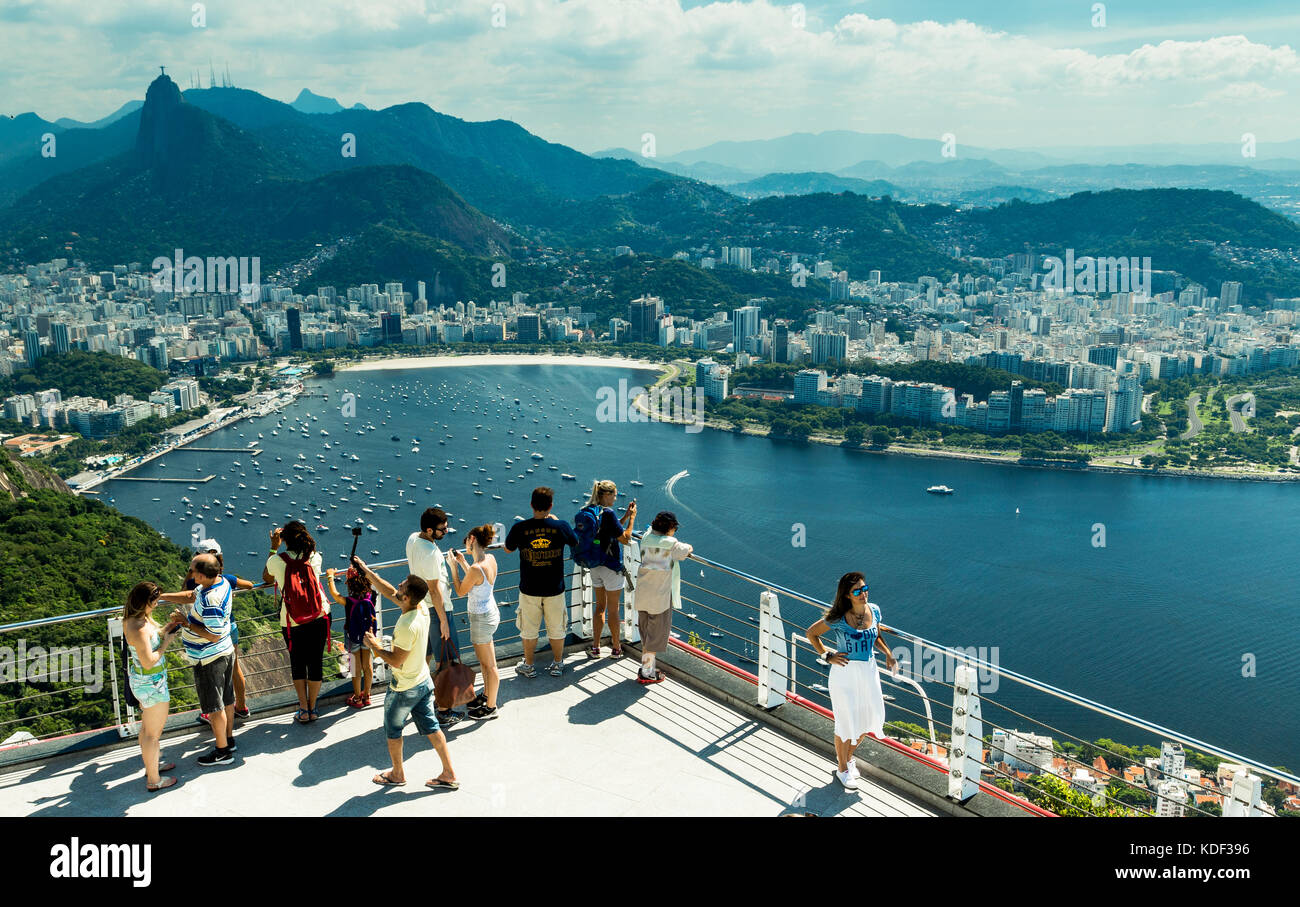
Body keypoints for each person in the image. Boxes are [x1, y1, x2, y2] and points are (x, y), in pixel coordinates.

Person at [353, 556, 458, 790]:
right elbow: (388, 590)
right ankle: (449, 773)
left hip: (404, 687)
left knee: (393, 729)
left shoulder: (405, 626)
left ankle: (397, 773)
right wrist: (366, 571)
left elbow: (396, 661)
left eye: (402, 586)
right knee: (431, 727)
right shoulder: (420, 608)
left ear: (407, 597)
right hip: (422, 681)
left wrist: (374, 645)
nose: (398, 585)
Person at [805, 572, 897, 791]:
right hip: (844, 674)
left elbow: (875, 635)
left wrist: (888, 653)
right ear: (847, 595)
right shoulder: (837, 618)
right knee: (846, 721)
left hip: (868, 672)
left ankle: (846, 759)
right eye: (857, 591)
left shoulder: (873, 610)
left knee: (868, 719)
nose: (863, 593)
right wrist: (827, 656)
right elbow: (811, 634)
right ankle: (843, 767)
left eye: (865, 589)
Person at [159, 553, 237, 766]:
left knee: (214, 707)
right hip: (225, 651)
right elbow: (190, 596)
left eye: (193, 570)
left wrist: (185, 622)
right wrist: (162, 596)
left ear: (202, 575)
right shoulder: (220, 582)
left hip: (209, 657)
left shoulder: (211, 599)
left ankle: (222, 752)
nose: (190, 572)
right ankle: (229, 741)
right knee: (227, 699)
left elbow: (213, 634)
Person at [505, 487, 578, 678]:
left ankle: (528, 665)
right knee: (556, 628)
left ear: (531, 505)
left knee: (529, 629)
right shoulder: (560, 526)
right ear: (551, 506)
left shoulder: (520, 528)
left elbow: (507, 549)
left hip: (529, 588)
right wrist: (555, 522)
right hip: (555, 588)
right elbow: (575, 541)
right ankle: (557, 664)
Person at [262, 521, 328, 723]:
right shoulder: (315, 557)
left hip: (292, 619)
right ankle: (314, 707)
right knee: (315, 661)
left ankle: (303, 709)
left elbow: (266, 578)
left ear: (285, 540)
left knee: (298, 663)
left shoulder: (277, 560)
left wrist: (274, 546)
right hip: (320, 614)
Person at [186, 539, 253, 723]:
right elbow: (249, 585)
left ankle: (215, 713)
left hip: (209, 632)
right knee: (235, 668)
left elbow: (185, 592)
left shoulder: (197, 582)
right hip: (230, 627)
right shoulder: (226, 579)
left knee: (212, 674)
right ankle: (241, 707)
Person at [122, 581, 181, 791]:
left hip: (145, 683)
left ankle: (152, 765)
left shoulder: (132, 619)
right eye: (154, 602)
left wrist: (166, 630)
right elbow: (149, 660)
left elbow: (147, 643)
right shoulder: (139, 627)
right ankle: (154, 780)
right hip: (152, 685)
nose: (156, 605)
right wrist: (167, 642)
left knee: (147, 729)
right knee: (152, 734)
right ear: (145, 602)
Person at [407, 507, 462, 728]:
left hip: (421, 608)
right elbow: (434, 590)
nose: (446, 531)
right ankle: (443, 710)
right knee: (445, 661)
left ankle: (420, 700)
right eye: (442, 529)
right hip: (437, 610)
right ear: (429, 530)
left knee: (426, 656)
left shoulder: (413, 539)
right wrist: (444, 622)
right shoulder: (430, 553)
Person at [575, 480, 636, 658]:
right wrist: (632, 519)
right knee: (614, 610)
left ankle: (595, 648)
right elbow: (624, 538)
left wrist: (623, 517)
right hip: (611, 567)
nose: (615, 499)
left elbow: (607, 529)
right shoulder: (607, 513)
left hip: (595, 565)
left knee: (599, 607)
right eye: (614, 495)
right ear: (607, 495)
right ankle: (616, 649)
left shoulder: (590, 511)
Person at [633, 512, 692, 684]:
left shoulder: (645, 538)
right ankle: (647, 672)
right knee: (655, 636)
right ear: (669, 528)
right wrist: (688, 547)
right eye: (674, 528)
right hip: (660, 597)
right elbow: (687, 549)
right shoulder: (671, 544)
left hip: (643, 593)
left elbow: (649, 531)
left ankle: (647, 668)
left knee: (646, 633)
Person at [448, 525, 500, 720]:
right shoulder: (490, 560)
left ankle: (491, 707)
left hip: (481, 619)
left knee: (489, 665)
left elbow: (461, 590)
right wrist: (463, 564)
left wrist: (453, 568)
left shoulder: (476, 568)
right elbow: (478, 582)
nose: (466, 548)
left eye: (467, 544)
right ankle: (487, 696)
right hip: (490, 613)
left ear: (472, 539)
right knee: (486, 663)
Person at [326, 565, 377, 708]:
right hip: (367, 635)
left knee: (356, 668)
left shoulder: (349, 601)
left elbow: (335, 595)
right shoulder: (372, 595)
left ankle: (357, 699)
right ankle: (367, 695)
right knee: (367, 666)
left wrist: (330, 576)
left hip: (353, 636)